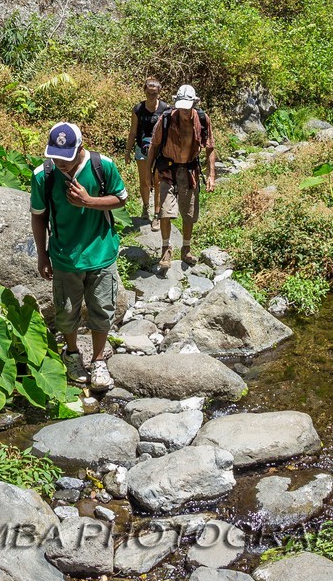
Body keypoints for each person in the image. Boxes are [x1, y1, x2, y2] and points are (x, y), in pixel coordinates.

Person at [30, 120, 128, 392]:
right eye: (56, 157)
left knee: (102, 309)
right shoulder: (43, 175)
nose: (61, 163)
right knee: (67, 311)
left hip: (101, 252)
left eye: (67, 158)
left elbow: (121, 199)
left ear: (80, 147)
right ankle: (72, 354)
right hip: (64, 257)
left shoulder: (102, 166)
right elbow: (38, 217)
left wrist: (89, 201)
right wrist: (42, 255)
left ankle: (98, 360)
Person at [146, 83, 215, 269]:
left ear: (194, 103)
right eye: (181, 107)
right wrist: (147, 172)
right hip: (168, 170)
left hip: (190, 170)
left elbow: (209, 148)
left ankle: (186, 248)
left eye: (188, 107)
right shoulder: (166, 118)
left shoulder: (202, 119)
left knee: (189, 213)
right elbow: (153, 145)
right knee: (166, 212)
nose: (184, 111)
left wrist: (211, 175)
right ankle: (166, 249)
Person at [125, 77, 170, 226]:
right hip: (141, 149)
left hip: (159, 150)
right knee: (145, 180)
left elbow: (169, 131)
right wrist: (127, 152)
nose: (151, 97)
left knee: (157, 181)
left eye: (154, 94)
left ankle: (157, 214)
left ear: (159, 93)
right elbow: (133, 132)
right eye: (149, 93)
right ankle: (145, 207)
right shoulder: (138, 109)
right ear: (144, 92)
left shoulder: (165, 109)